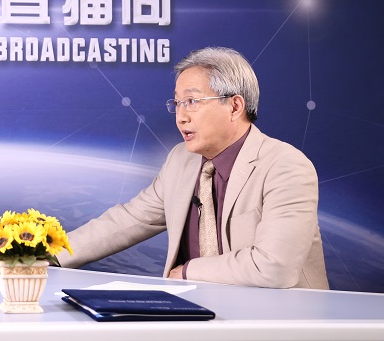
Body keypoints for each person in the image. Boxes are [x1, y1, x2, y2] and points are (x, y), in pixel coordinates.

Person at [57, 47, 328, 289]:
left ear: (235, 106)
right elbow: (127, 221)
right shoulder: (180, 160)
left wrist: (188, 272)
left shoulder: (285, 166)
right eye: (177, 103)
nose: (180, 117)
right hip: (200, 313)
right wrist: (47, 255)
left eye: (192, 102)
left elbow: (275, 267)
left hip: (280, 320)